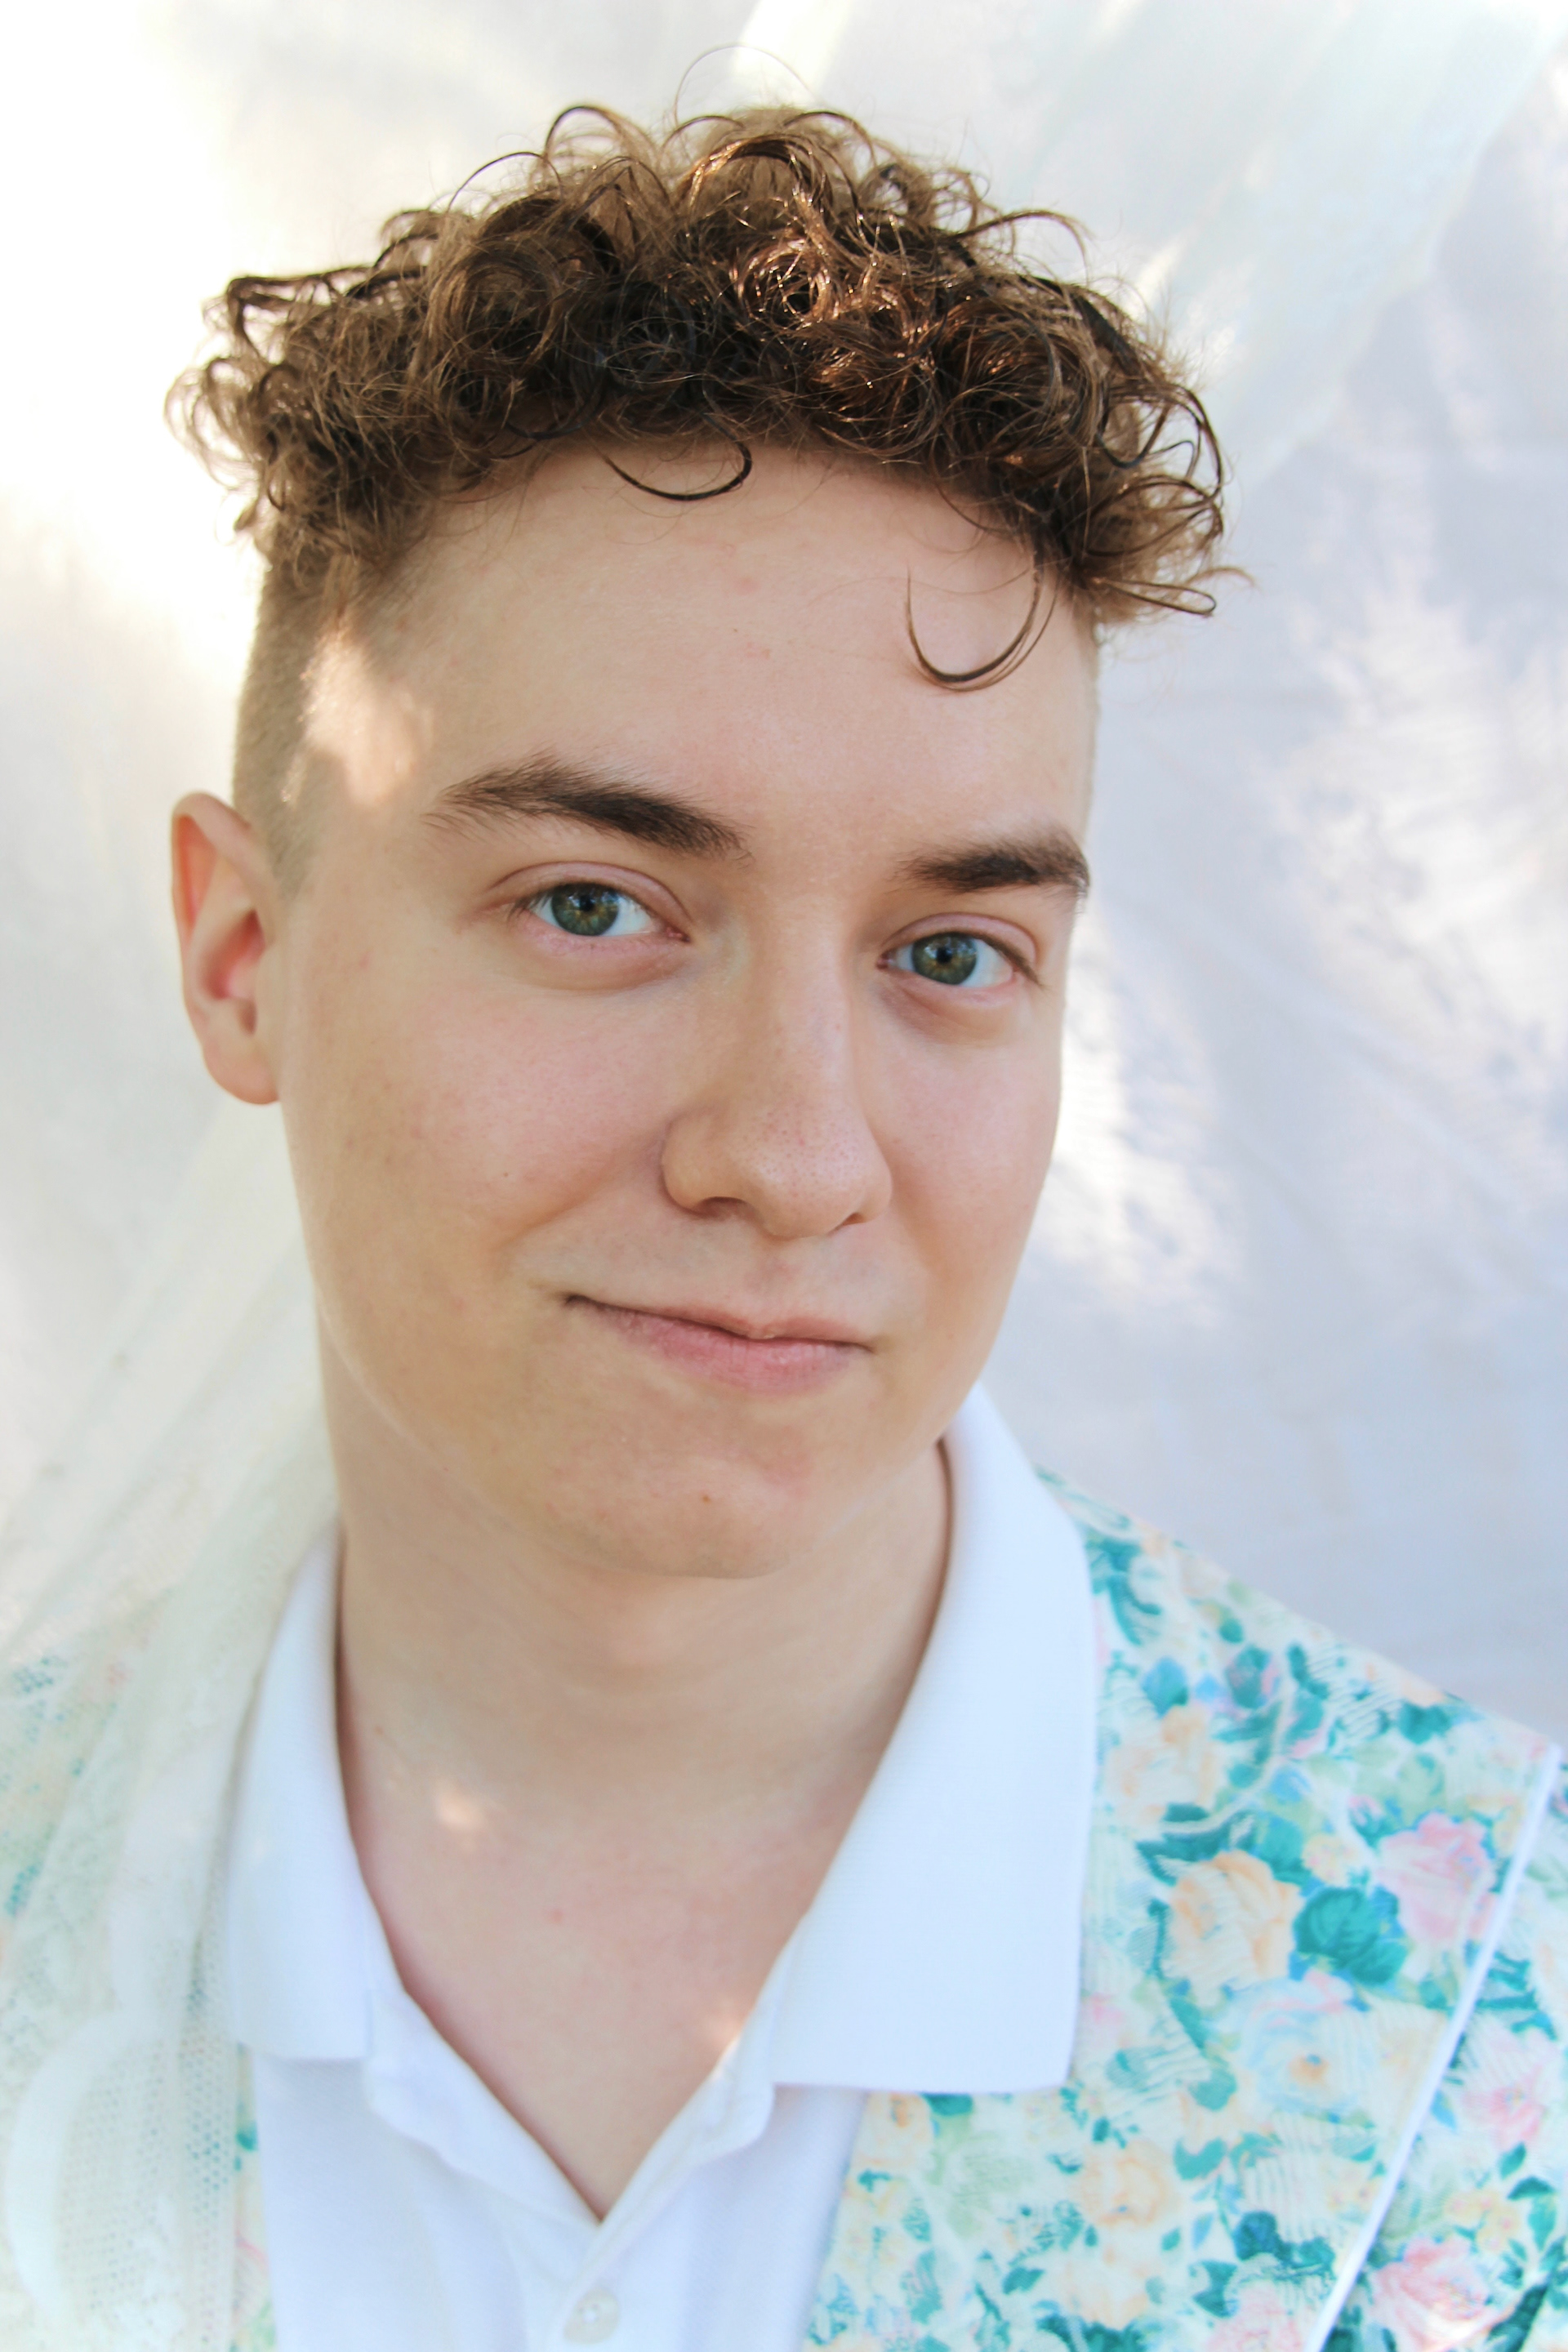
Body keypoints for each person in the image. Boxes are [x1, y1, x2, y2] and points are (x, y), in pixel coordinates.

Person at [0, 106, 1563, 2352]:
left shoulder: (1502, 2003)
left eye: (950, 953)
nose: (796, 1154)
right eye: (596, 905)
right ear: (245, 956)